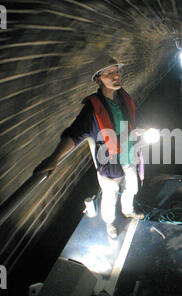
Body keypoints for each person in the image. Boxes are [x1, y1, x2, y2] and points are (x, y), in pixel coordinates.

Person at [34, 55, 144, 239]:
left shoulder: (123, 97)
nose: (115, 75)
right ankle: (110, 222)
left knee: (132, 187)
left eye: (116, 71)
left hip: (129, 154)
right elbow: (75, 133)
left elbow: (128, 122)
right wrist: (55, 158)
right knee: (110, 195)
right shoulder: (93, 108)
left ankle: (128, 210)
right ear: (98, 79)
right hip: (109, 161)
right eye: (109, 73)